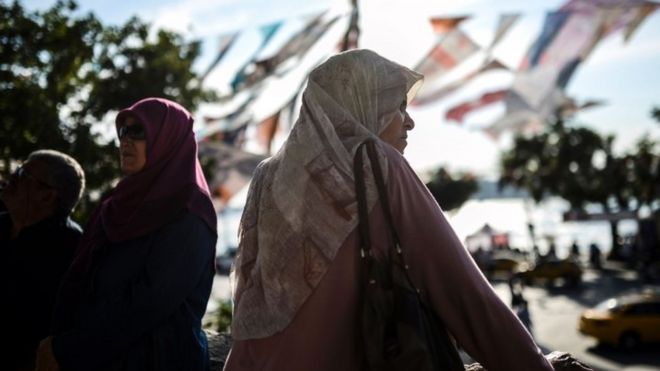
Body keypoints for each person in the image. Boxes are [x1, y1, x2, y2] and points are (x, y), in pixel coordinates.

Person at [224, 49, 557, 371]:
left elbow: (248, 298)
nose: (409, 122)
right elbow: (462, 293)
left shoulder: (267, 175)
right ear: (364, 105)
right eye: (398, 107)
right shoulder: (376, 165)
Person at [34, 97, 218, 371]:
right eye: (123, 131)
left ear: (168, 139)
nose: (126, 140)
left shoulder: (189, 213)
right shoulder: (116, 204)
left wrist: (68, 349)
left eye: (139, 131)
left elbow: (148, 304)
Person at [0, 150, 85, 371]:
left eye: (23, 174)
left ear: (47, 196)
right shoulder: (3, 223)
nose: (11, 177)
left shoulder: (72, 249)